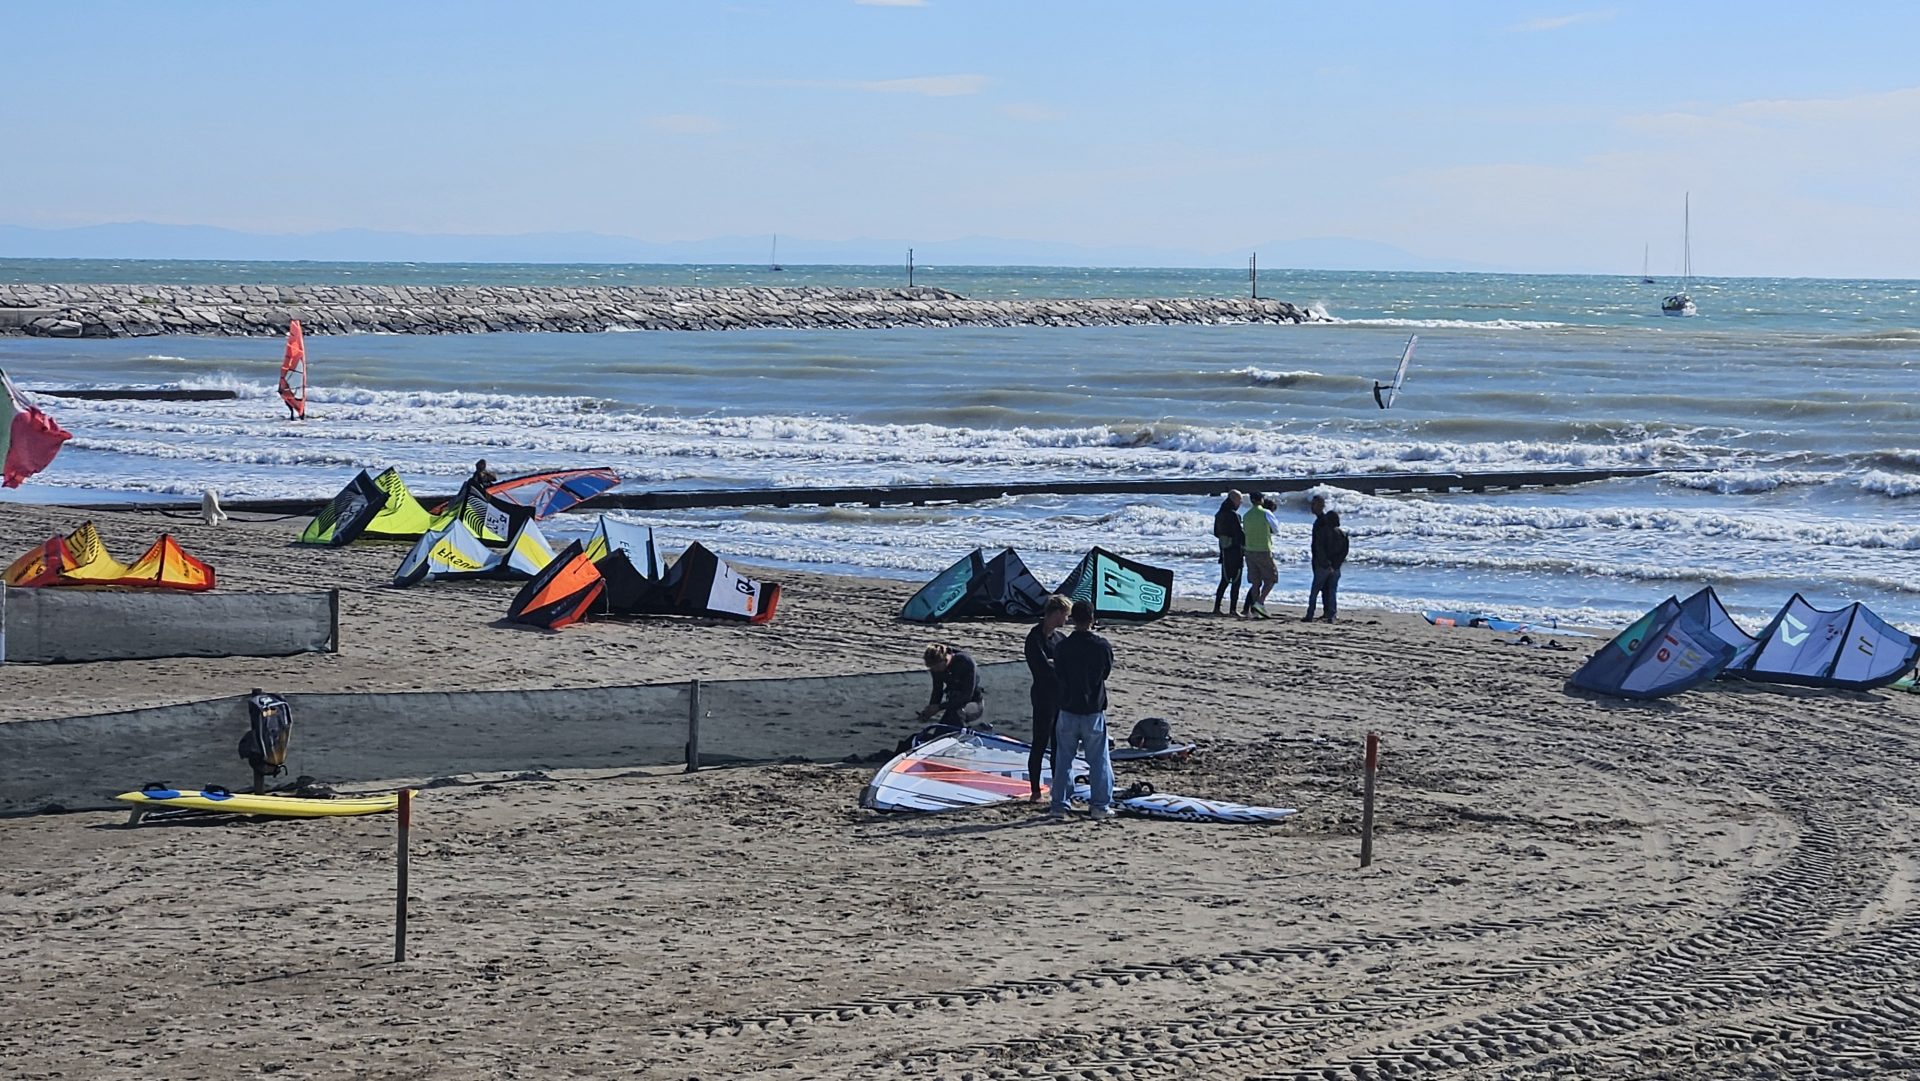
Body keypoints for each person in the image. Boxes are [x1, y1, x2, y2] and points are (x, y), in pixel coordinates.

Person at [1049, 600, 1115, 821]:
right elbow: (1105, 673)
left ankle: (1059, 805)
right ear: (1092, 619)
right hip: (1092, 709)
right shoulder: (1101, 646)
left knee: (1063, 760)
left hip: (1068, 708)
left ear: (1072, 619)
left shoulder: (1063, 646)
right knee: (1098, 760)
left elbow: (1059, 672)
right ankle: (1100, 805)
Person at [1024, 594, 1072, 802]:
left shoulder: (1060, 639)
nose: (1067, 619)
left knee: (1058, 744)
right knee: (1040, 741)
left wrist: (1057, 665)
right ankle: (1035, 790)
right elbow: (1042, 668)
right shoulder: (1035, 637)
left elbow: (1068, 665)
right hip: (1043, 695)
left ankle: (1057, 788)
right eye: (1065, 615)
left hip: (1061, 696)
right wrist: (1056, 666)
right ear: (1057, 613)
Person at [919, 643, 984, 731]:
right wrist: (930, 709)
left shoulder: (966, 662)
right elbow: (937, 690)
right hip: (953, 703)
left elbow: (966, 696)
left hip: (973, 703)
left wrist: (939, 707)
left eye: (937, 667)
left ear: (945, 660)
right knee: (942, 727)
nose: (935, 670)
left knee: (957, 713)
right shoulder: (936, 668)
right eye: (932, 668)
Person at [1306, 510, 1350, 622]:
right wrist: (1335, 565)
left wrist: (1326, 563)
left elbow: (1319, 550)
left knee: (1315, 591)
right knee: (1332, 591)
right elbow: (1344, 552)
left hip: (1323, 566)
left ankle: (1310, 614)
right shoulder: (1343, 534)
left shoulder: (1322, 532)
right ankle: (1332, 615)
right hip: (1336, 567)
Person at [1242, 495, 1280, 618]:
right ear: (1261, 500)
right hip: (1263, 549)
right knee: (1272, 578)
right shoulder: (1266, 513)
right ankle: (1260, 602)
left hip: (1249, 550)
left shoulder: (1246, 515)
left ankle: (1256, 611)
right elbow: (1276, 529)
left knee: (1255, 582)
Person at [1212, 491, 1245, 616]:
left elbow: (1216, 533)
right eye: (1240, 500)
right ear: (1234, 500)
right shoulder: (1234, 515)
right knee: (1236, 581)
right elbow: (1240, 534)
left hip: (1224, 551)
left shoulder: (1219, 514)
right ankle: (1233, 609)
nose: (1240, 503)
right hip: (1235, 551)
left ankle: (1216, 607)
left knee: (1224, 580)